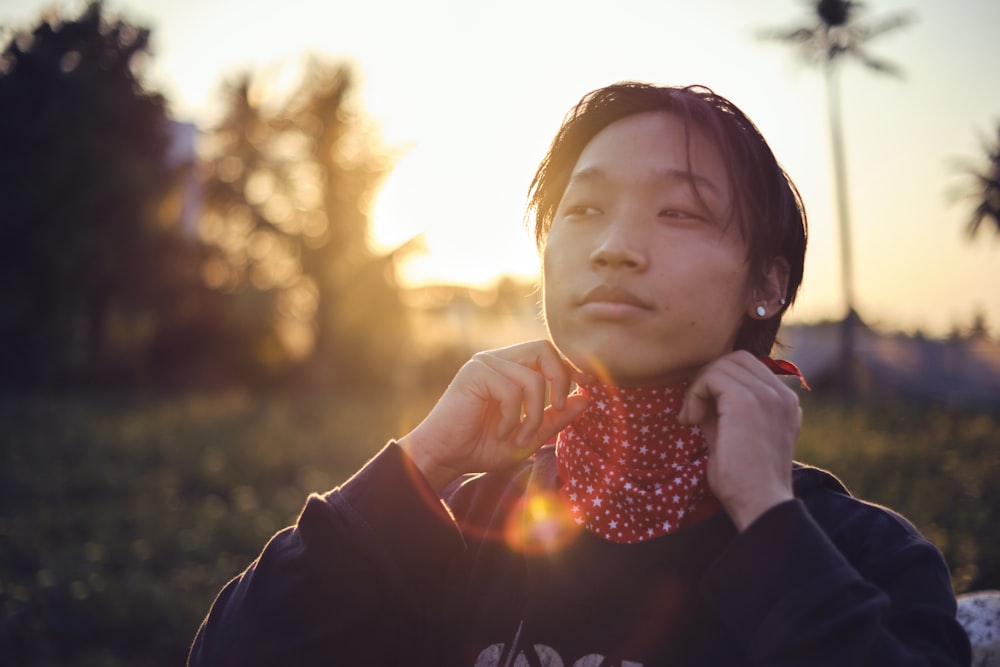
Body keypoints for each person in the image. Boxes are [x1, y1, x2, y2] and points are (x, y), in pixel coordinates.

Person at [187, 82, 971, 666]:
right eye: (584, 211)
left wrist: (766, 515)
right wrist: (422, 462)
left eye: (679, 212)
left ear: (767, 283)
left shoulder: (860, 555)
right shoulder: (466, 529)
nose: (614, 247)